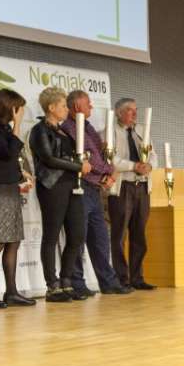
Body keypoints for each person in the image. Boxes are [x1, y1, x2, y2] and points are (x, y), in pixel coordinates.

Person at [61, 90, 133, 296]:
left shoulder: (88, 127)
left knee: (100, 238)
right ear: (77, 107)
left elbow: (101, 154)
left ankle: (108, 282)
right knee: (78, 238)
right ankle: (77, 283)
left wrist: (108, 172)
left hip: (94, 189)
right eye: (88, 104)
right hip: (79, 188)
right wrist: (107, 170)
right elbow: (88, 159)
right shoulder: (69, 128)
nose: (91, 106)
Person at [28, 87, 91, 302]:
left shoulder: (64, 131)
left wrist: (81, 161)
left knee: (77, 234)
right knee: (52, 235)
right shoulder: (39, 130)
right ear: (51, 107)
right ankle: (52, 285)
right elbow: (48, 158)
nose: (66, 109)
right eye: (63, 105)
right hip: (52, 186)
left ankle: (66, 280)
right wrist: (77, 165)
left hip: (72, 185)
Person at [0, 88, 36, 309]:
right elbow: (7, 153)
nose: (20, 113)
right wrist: (18, 126)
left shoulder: (4, 129)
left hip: (10, 189)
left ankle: (11, 292)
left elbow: (10, 161)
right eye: (18, 109)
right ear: (9, 108)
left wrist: (22, 174)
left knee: (13, 241)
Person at [107, 98, 159, 290]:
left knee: (139, 234)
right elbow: (110, 159)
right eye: (130, 110)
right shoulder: (110, 131)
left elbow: (153, 155)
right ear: (119, 113)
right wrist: (133, 166)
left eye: (136, 109)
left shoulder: (141, 131)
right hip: (123, 187)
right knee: (120, 234)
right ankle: (122, 278)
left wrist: (149, 166)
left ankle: (137, 277)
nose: (135, 113)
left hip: (142, 187)